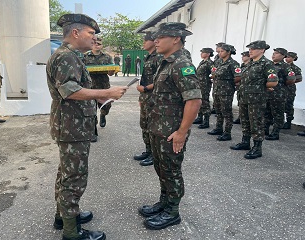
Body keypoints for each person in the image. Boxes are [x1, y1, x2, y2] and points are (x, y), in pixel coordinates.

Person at [46, 13, 128, 240]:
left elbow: (76, 88)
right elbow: (70, 90)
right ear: (75, 33)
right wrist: (106, 92)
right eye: (90, 33)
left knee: (66, 174)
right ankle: (72, 233)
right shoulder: (67, 57)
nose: (94, 39)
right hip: (73, 127)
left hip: (72, 125)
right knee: (74, 178)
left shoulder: (70, 55)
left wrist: (100, 99)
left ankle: (63, 217)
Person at [138, 22, 202, 230]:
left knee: (171, 170)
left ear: (176, 39)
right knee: (161, 168)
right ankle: (164, 203)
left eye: (161, 36)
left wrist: (182, 132)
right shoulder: (166, 63)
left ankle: (172, 212)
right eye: (155, 37)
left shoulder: (182, 65)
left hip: (172, 131)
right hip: (158, 128)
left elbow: (194, 101)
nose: (155, 40)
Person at [230, 40, 278, 159]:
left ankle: (257, 148)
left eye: (254, 49)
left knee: (256, 122)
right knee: (245, 121)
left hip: (257, 99)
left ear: (262, 50)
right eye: (250, 49)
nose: (250, 51)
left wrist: (261, 87)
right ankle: (245, 142)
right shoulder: (249, 64)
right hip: (244, 97)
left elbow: (273, 82)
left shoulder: (266, 64)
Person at [133, 31, 162, 167]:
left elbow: (161, 80)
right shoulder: (149, 57)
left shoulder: (159, 57)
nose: (143, 43)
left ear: (153, 41)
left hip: (154, 97)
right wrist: (142, 96)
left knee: (152, 127)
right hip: (146, 97)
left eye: (146, 40)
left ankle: (154, 155)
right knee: (144, 125)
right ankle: (148, 150)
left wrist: (145, 89)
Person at [83, 36, 114, 142]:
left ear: (102, 46)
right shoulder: (85, 57)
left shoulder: (107, 57)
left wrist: (111, 71)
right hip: (90, 86)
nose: (97, 45)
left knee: (106, 105)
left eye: (99, 43)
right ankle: (93, 132)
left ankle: (103, 115)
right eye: (95, 43)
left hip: (103, 86)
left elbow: (111, 72)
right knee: (91, 110)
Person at [207, 44, 241, 141]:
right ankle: (218, 128)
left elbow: (238, 76)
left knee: (226, 111)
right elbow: (213, 73)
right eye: (219, 51)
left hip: (226, 91)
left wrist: (229, 83)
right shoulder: (218, 62)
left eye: (222, 51)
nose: (220, 53)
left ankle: (227, 132)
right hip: (217, 90)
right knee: (218, 110)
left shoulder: (233, 63)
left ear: (228, 52)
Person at [264, 48, 295, 140]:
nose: (273, 55)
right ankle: (265, 129)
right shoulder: (269, 65)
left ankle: (275, 133)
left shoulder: (285, 66)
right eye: (273, 53)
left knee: (278, 114)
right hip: (268, 93)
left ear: (283, 56)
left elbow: (291, 79)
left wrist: (281, 86)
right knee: (267, 112)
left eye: (276, 54)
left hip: (279, 94)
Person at [194, 48, 214, 129]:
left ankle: (206, 121)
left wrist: (209, 79)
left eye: (203, 52)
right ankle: (200, 117)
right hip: (199, 84)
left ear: (208, 54)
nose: (201, 54)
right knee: (200, 101)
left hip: (205, 85)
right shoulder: (202, 62)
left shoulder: (210, 63)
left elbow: (214, 73)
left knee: (205, 102)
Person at [283, 52, 302, 129]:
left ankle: (288, 121)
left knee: (289, 105)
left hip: (290, 89)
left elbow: (299, 79)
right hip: (281, 88)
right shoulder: (282, 66)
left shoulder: (295, 68)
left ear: (293, 58)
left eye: (289, 57)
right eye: (286, 57)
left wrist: (289, 82)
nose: (287, 58)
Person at [233, 51, 251, 124]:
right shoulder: (242, 66)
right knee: (240, 103)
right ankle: (240, 117)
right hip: (241, 88)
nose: (242, 57)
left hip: (249, 89)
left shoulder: (250, 65)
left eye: (244, 56)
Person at [211, 42, 225, 114]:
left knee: (221, 98)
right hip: (216, 79)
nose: (216, 48)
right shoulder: (217, 57)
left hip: (223, 82)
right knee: (215, 94)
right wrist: (213, 73)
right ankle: (215, 108)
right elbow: (214, 66)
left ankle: (220, 110)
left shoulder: (224, 57)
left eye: (218, 47)